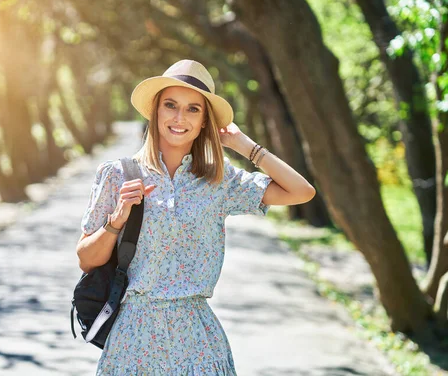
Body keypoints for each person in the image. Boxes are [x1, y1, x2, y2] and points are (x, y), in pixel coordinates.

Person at [76, 59, 316, 375]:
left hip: (198, 341)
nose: (179, 117)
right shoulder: (118, 175)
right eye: (171, 105)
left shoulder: (219, 181)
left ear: (204, 121)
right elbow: (86, 260)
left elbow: (301, 192)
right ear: (155, 112)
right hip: (133, 338)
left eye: (193, 109)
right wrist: (116, 220)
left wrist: (245, 146)